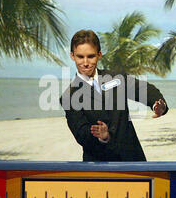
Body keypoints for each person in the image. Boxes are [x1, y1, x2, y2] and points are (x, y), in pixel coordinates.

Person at [60, 29, 168, 162]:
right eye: (80, 57)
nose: (86, 62)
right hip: (99, 166)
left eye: (91, 56)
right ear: (72, 56)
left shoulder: (116, 78)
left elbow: (143, 89)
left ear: (99, 55)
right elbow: (81, 134)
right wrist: (103, 137)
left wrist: (157, 104)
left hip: (133, 161)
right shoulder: (69, 96)